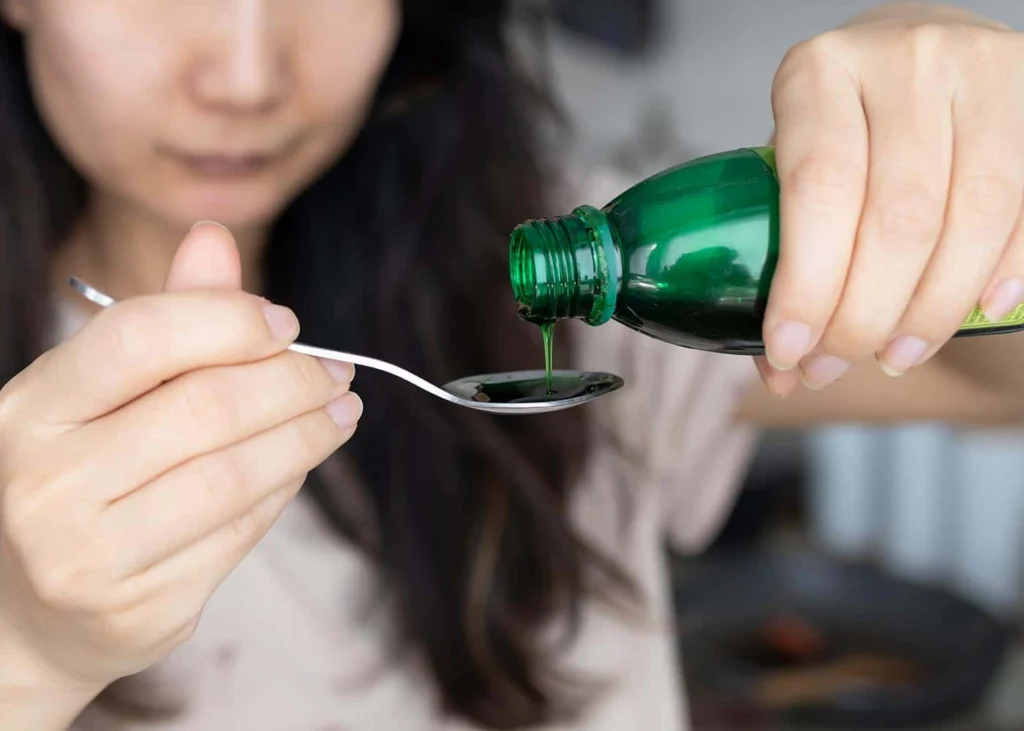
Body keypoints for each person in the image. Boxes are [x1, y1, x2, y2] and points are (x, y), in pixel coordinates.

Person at [0, 1, 1022, 729]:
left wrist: (982, 179)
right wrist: (26, 655)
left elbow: (994, 388)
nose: (245, 73)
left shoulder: (612, 279)